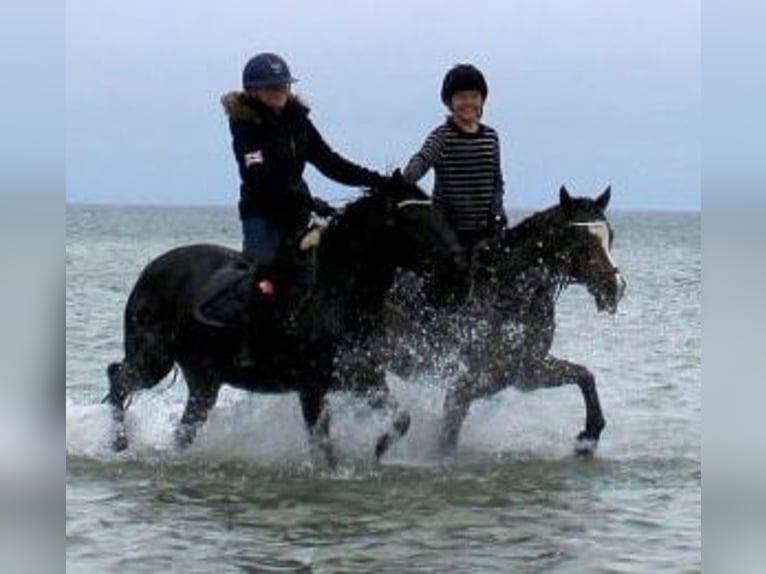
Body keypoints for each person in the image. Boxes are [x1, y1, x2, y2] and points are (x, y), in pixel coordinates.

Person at [217, 52, 387, 366]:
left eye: (282, 85)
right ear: (253, 91)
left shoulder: (298, 120)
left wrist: (378, 181)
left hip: (297, 208)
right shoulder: (245, 125)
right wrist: (309, 202)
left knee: (315, 271)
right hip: (262, 212)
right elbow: (261, 178)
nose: (278, 92)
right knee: (264, 270)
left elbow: (330, 162)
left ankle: (314, 339)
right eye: (270, 87)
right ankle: (247, 345)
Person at [402, 63, 506, 304]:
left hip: (483, 225)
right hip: (447, 227)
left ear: (482, 100)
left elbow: (496, 180)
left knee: (498, 274)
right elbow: (423, 159)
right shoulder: (443, 135)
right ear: (450, 102)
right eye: (461, 97)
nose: (468, 102)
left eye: (474, 96)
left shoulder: (491, 137)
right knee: (453, 275)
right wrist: (404, 180)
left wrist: (497, 209)